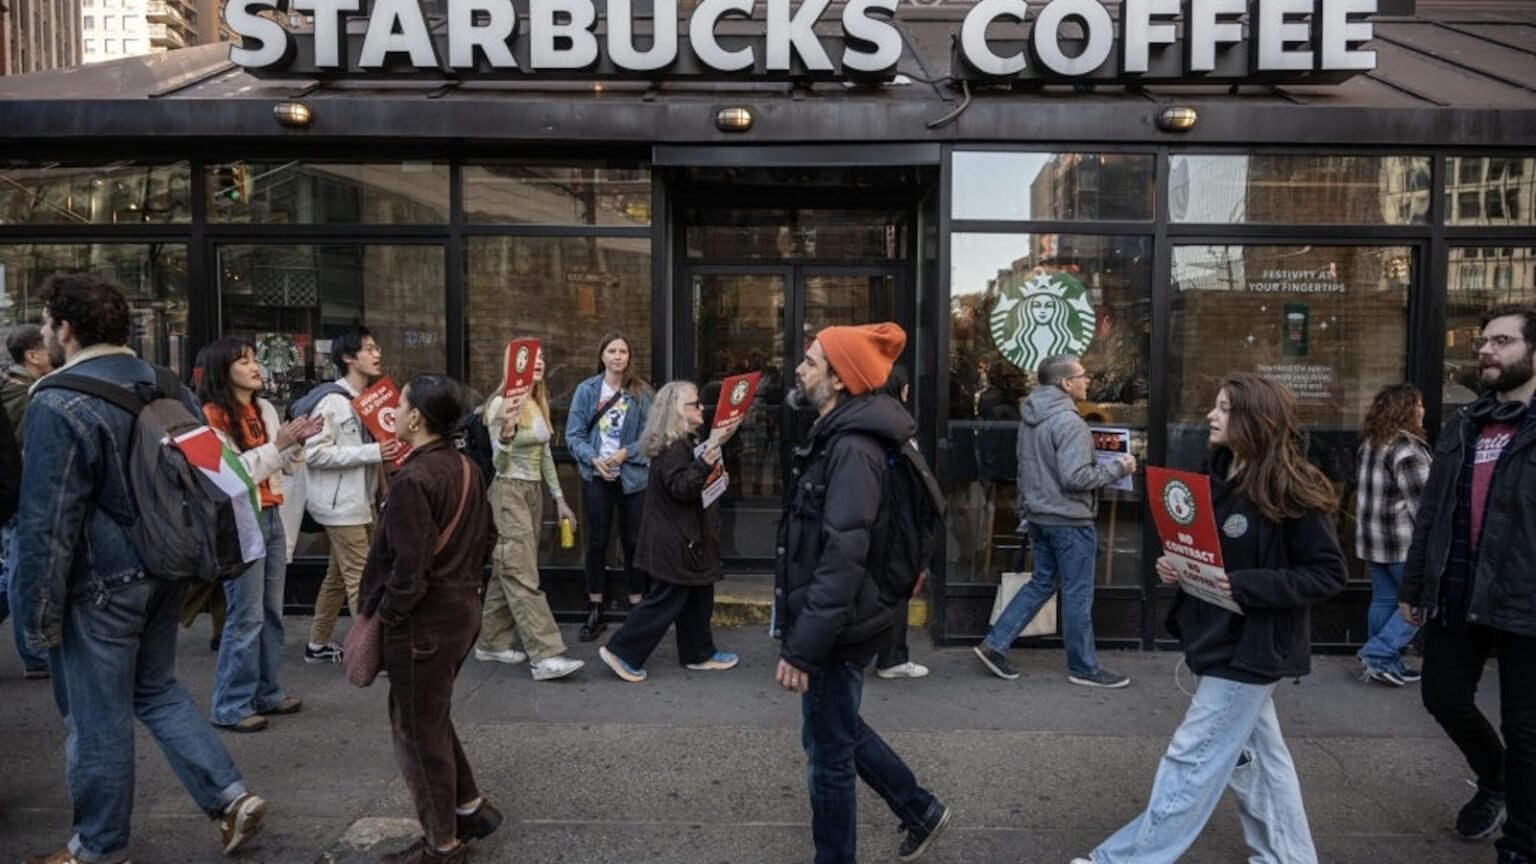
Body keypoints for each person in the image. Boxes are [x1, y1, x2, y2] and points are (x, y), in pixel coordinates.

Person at [12, 274, 268, 864]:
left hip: (99, 583)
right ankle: (230, 797)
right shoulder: (164, 382)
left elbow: (47, 522)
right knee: (155, 689)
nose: (46, 333)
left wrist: (35, 615)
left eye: (48, 323)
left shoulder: (56, 399)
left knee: (96, 717)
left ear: (65, 328)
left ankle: (98, 848)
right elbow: (212, 473)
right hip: (167, 565)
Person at [1072, 373, 1346, 864]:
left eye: (1223, 408)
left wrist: (1243, 586)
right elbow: (1211, 553)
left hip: (1252, 647)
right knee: (1261, 761)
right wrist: (1178, 566)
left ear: (1253, 418)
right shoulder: (1215, 477)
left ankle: (1123, 860)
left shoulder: (1293, 487)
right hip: (1216, 637)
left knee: (1192, 759)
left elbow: (1326, 574)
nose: (1210, 415)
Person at [775, 323, 952, 864]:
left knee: (827, 754)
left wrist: (803, 646)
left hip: (836, 625)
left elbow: (842, 555)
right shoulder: (840, 436)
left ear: (838, 378)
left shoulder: (852, 449)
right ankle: (919, 808)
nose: (800, 370)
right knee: (837, 726)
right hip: (838, 618)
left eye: (810, 362)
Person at [1401, 305, 1536, 861]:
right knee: (1442, 696)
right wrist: (1413, 586)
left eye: (1502, 341)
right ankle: (1497, 777)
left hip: (1525, 602)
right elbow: (1431, 512)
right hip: (1457, 592)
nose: (1486, 349)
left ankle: (1521, 846)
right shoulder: (1465, 424)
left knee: (1527, 730)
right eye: (1484, 341)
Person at [359, 374, 500, 864]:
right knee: (430, 716)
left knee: (416, 731)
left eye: (400, 406)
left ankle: (442, 843)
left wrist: (389, 617)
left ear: (416, 418)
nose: (394, 413)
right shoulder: (465, 467)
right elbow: (489, 538)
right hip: (461, 611)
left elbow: (408, 571)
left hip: (423, 624)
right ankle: (470, 807)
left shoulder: (414, 479)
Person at [973, 353, 1135, 688]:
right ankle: (1084, 667)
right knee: (1077, 593)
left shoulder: (1030, 417)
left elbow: (1025, 468)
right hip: (1069, 520)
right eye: (1082, 375)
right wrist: (1119, 468)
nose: (1087, 380)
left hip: (1039, 516)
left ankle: (994, 644)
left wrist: (1027, 510)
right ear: (1065, 383)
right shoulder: (1070, 423)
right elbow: (1076, 477)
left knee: (1042, 582)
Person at [197, 338, 321, 731]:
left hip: (270, 515)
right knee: (246, 616)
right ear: (222, 369)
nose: (255, 367)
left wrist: (295, 444)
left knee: (270, 611)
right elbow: (228, 477)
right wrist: (279, 445)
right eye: (244, 361)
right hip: (239, 521)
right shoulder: (208, 417)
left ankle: (267, 692)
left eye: (254, 359)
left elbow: (282, 467)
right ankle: (231, 704)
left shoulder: (264, 407)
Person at [598, 380, 739, 682]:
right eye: (694, 404)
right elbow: (681, 488)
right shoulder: (674, 446)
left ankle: (699, 653)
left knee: (699, 592)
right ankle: (621, 651)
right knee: (666, 600)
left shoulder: (681, 442)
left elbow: (689, 485)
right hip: (676, 539)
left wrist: (712, 476)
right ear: (677, 411)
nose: (702, 407)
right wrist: (705, 464)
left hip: (683, 536)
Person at [474, 342, 585, 681]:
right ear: (513, 365)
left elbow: (546, 456)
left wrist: (560, 499)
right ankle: (546, 654)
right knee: (521, 573)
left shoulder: (537, 402)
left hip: (531, 491)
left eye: (540, 359)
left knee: (508, 568)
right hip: (509, 491)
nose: (538, 363)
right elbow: (498, 464)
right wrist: (506, 438)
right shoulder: (499, 404)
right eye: (529, 359)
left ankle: (491, 643)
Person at [297, 328, 404, 664]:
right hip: (340, 506)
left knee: (338, 576)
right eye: (369, 349)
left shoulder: (367, 400)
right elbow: (314, 454)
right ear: (347, 358)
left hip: (362, 502)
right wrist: (371, 452)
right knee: (363, 579)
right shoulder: (332, 401)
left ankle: (317, 644)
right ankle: (371, 653)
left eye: (377, 347)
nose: (377, 354)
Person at [564, 331, 652, 642]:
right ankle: (595, 608)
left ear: (629, 357)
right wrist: (594, 460)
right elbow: (573, 435)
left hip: (632, 477)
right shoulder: (587, 390)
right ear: (602, 355)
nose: (618, 356)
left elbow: (651, 436)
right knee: (597, 542)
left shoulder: (641, 392)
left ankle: (636, 607)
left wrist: (626, 453)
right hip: (596, 476)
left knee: (633, 542)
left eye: (623, 351)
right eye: (612, 350)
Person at [1354, 383, 1431, 687]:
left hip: (1373, 541)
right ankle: (1379, 654)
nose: (1422, 410)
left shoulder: (1370, 444)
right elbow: (1425, 507)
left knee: (1385, 600)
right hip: (1403, 544)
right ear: (1404, 410)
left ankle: (1384, 662)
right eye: (1418, 404)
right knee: (1422, 603)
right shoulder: (1408, 449)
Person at [2, 323, 54, 678]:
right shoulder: (25, 395)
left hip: (16, 495)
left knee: (16, 572)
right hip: (21, 496)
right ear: (32, 355)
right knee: (20, 575)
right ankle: (34, 655)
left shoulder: (17, 389)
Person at [874, 365, 929, 680]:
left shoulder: (870, 417)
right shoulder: (899, 424)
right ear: (903, 388)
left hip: (878, 516)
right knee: (896, 585)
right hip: (897, 518)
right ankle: (892, 657)